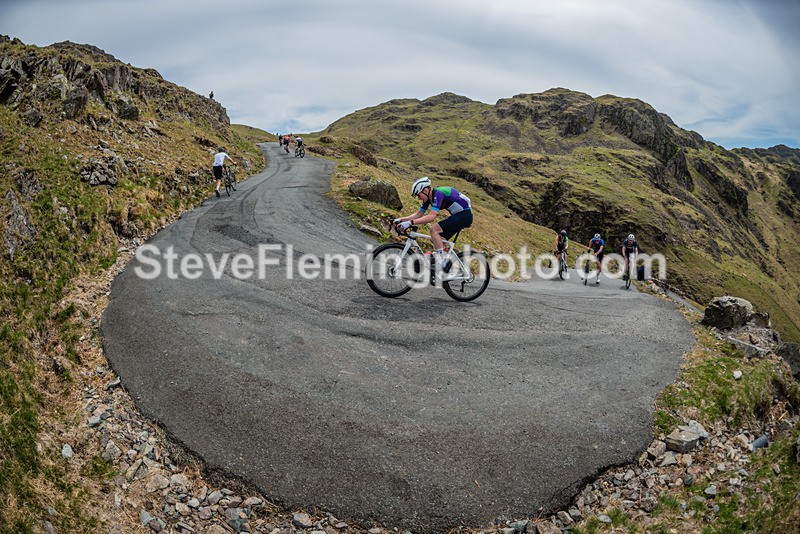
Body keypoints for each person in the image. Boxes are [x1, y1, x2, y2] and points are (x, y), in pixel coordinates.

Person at [393, 177, 473, 269]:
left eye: (419, 195)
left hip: (464, 216)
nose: (419, 198)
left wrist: (410, 223)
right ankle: (446, 267)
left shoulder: (438, 194)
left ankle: (442, 262)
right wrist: (401, 220)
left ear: (426, 190)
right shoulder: (428, 198)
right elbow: (419, 214)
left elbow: (431, 217)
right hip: (458, 216)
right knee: (438, 238)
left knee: (434, 230)